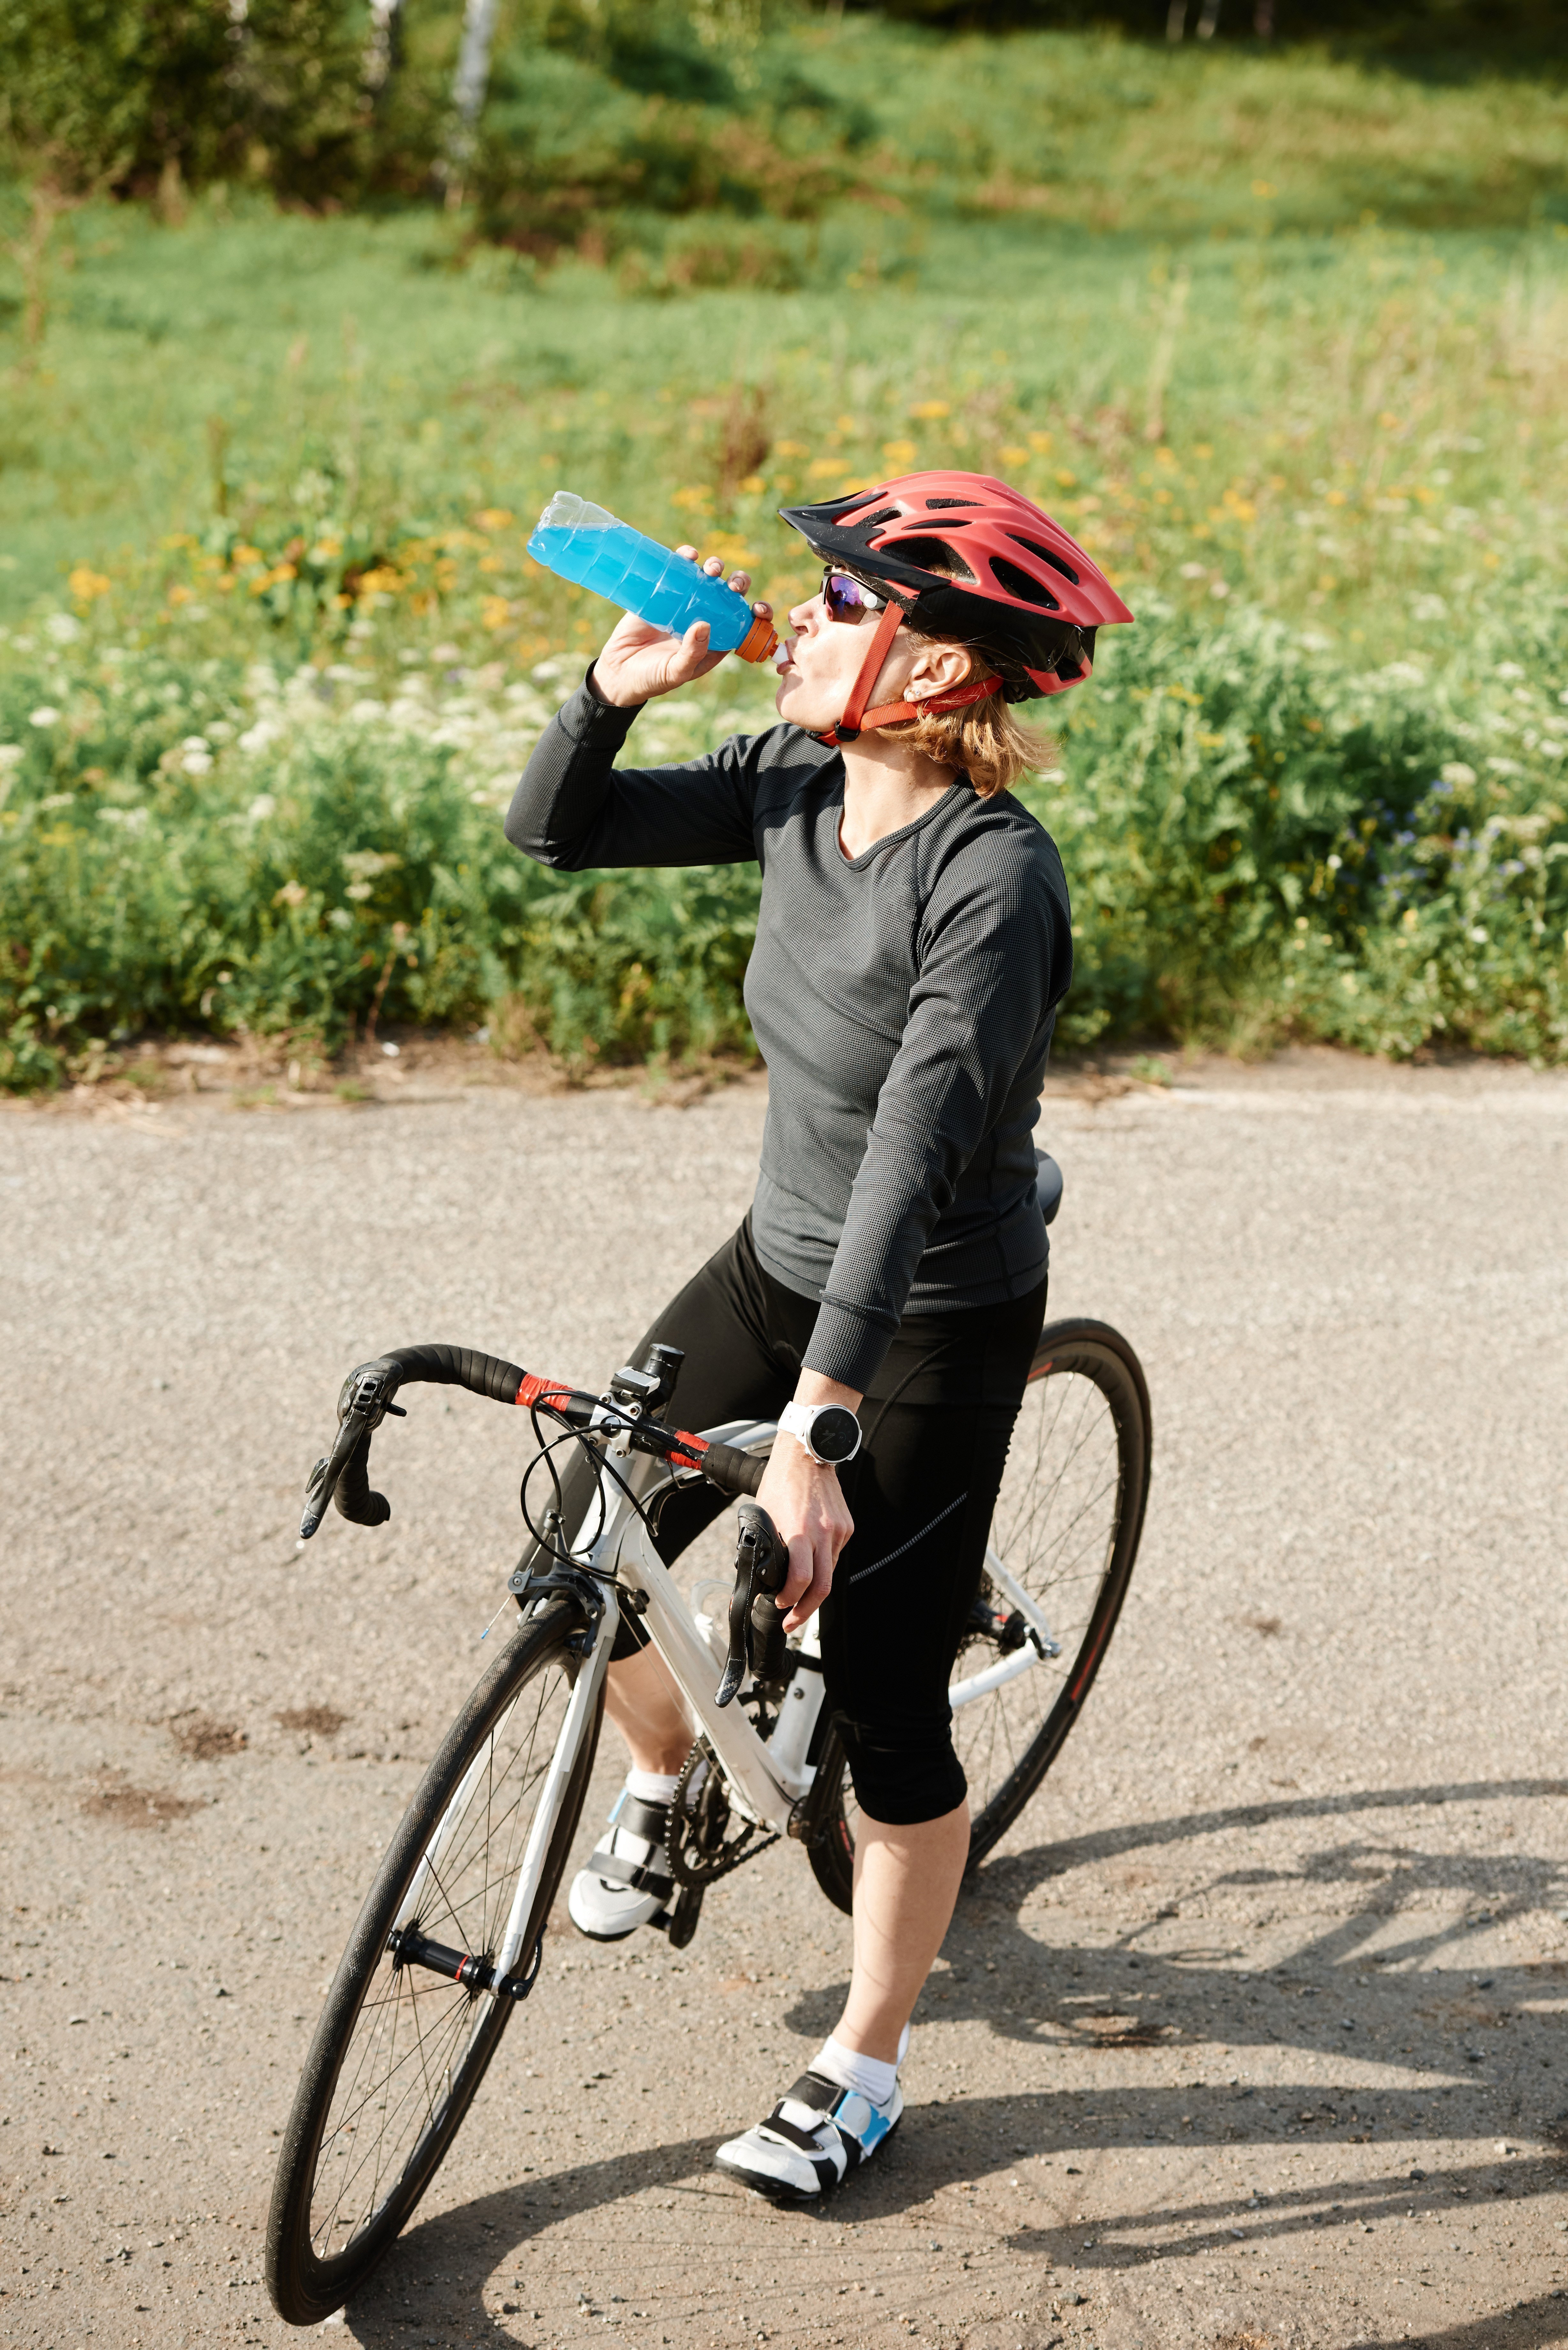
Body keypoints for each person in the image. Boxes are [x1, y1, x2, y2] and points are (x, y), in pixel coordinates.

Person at [505, 471, 1132, 2202]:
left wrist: (817, 1429)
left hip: (929, 1311)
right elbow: (558, 834)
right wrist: (606, 700)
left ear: (938, 677)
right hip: (779, 1260)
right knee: (585, 1554)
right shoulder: (795, 779)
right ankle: (664, 1782)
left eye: (853, 601)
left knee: (883, 1708)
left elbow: (919, 1164)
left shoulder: (994, 883)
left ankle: (865, 2061)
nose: (806, 615)